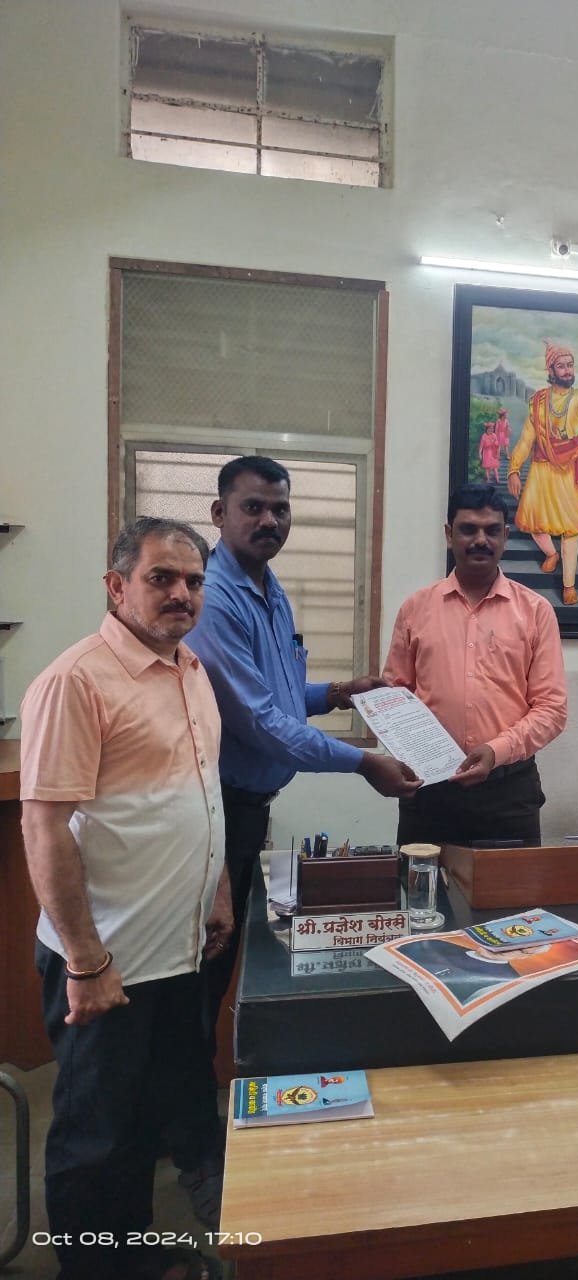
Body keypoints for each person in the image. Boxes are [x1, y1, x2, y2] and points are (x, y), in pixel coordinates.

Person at [20, 517, 228, 1280]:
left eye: (194, 581)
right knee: (94, 1140)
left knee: (140, 1123)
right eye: (161, 578)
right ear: (117, 586)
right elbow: (44, 826)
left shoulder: (190, 669)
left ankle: (131, 1259)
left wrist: (218, 890)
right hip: (106, 958)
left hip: (175, 949)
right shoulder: (76, 680)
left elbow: (202, 792)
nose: (181, 594)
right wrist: (85, 961)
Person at [187, 456, 421, 1035]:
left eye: (281, 509)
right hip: (215, 812)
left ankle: (199, 1078)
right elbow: (260, 721)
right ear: (219, 513)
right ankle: (188, 1088)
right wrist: (363, 763)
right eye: (253, 507)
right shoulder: (215, 599)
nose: (269, 521)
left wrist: (338, 693)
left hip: (248, 811)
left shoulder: (268, 588)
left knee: (223, 963)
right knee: (202, 971)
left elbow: (281, 693)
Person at [382, 484, 567, 847]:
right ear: (449, 535)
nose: (481, 540)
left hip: (508, 793)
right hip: (430, 793)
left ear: (505, 537)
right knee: (422, 884)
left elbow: (552, 709)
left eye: (491, 530)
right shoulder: (415, 609)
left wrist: (496, 751)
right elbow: (394, 697)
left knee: (511, 887)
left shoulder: (536, 612)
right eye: (468, 529)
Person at [507, 341, 578, 605]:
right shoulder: (538, 401)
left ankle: (569, 585)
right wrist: (513, 469)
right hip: (540, 469)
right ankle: (551, 554)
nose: (567, 370)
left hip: (567, 469)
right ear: (551, 370)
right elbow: (526, 440)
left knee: (570, 529)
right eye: (561, 366)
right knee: (534, 522)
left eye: (570, 365)